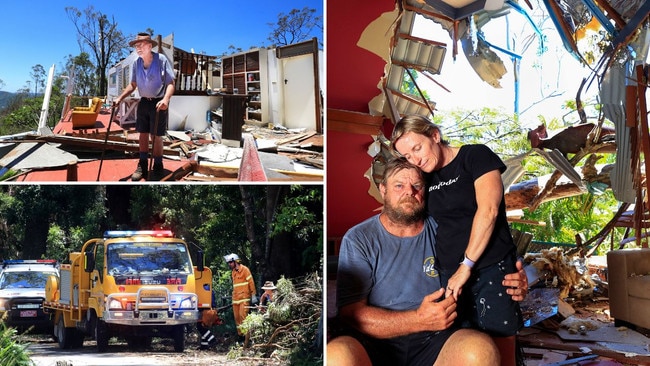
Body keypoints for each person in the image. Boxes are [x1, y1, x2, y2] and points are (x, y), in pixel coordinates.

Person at [328, 157, 528, 366]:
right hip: (375, 342)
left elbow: (483, 263)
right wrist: (418, 319)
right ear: (383, 190)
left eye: (417, 185)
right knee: (336, 356)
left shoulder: (444, 230)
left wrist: (513, 281)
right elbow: (351, 314)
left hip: (436, 340)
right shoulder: (359, 237)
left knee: (480, 352)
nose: (409, 192)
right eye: (399, 185)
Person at [391, 114, 523, 366]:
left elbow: (489, 211)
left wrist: (467, 266)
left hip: (490, 267)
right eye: (408, 156)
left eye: (417, 148)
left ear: (435, 136)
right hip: (449, 277)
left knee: (500, 347)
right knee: (465, 349)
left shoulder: (475, 157)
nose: (415, 159)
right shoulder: (426, 178)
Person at [114, 32, 175, 181]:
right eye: (136, 46)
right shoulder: (136, 63)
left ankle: (158, 166)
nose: (138, 48)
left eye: (140, 45)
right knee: (142, 133)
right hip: (144, 102)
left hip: (158, 102)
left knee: (157, 136)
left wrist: (166, 100)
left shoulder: (161, 60)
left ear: (149, 46)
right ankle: (142, 165)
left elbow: (170, 83)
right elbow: (133, 85)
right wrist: (120, 98)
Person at [224, 253, 257, 342]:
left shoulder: (245, 270)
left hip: (244, 298)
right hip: (236, 299)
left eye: (230, 262)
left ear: (235, 261)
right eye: (229, 263)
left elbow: (251, 282)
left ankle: (247, 338)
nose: (229, 264)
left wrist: (253, 294)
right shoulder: (233, 272)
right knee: (237, 319)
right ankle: (241, 336)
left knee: (243, 317)